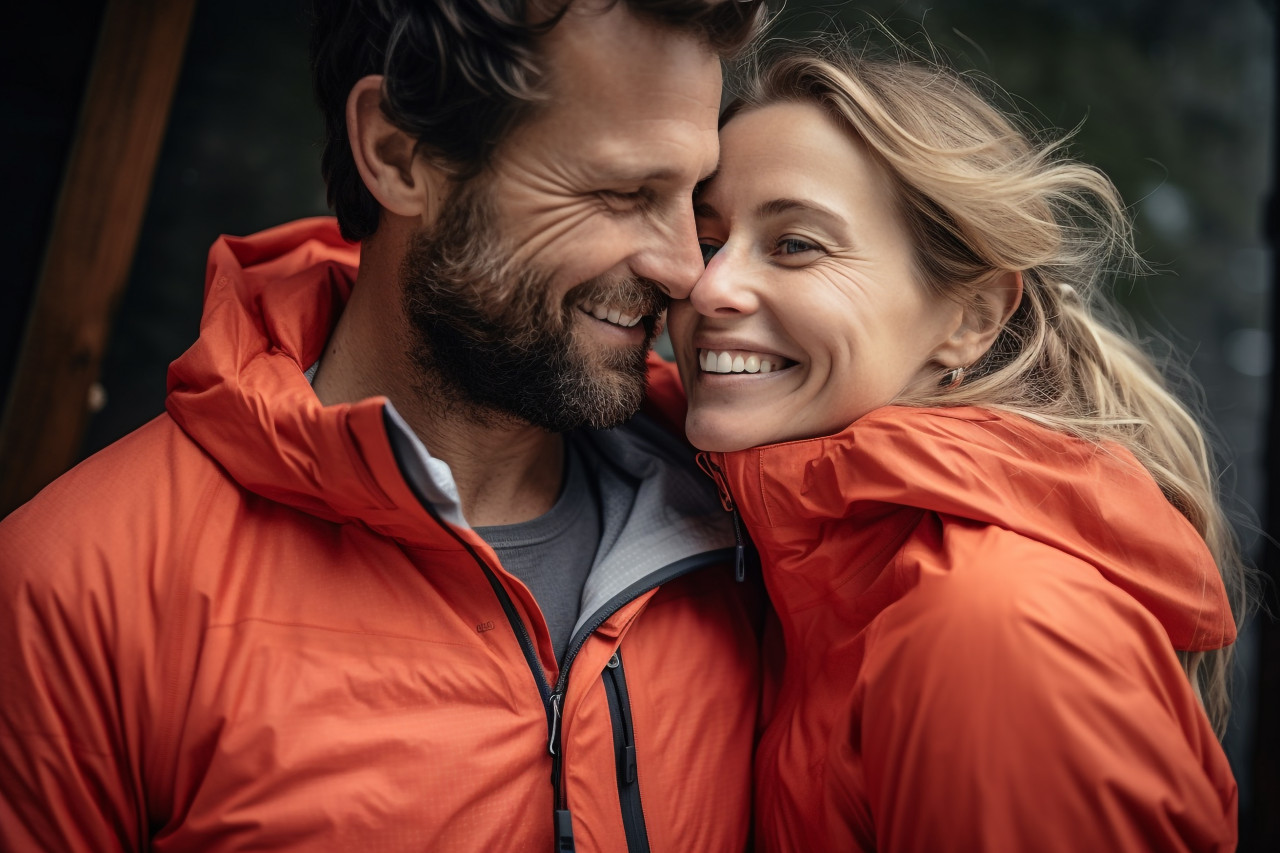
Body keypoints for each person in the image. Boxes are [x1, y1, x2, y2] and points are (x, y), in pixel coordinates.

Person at [0, 1, 768, 850]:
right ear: (399, 152)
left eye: (690, 197)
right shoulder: (77, 588)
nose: (684, 269)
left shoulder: (761, 526)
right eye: (621, 192)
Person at [665, 47, 1246, 852]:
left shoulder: (997, 629)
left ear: (968, 319)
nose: (706, 286)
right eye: (706, 239)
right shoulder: (807, 562)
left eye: (796, 244)